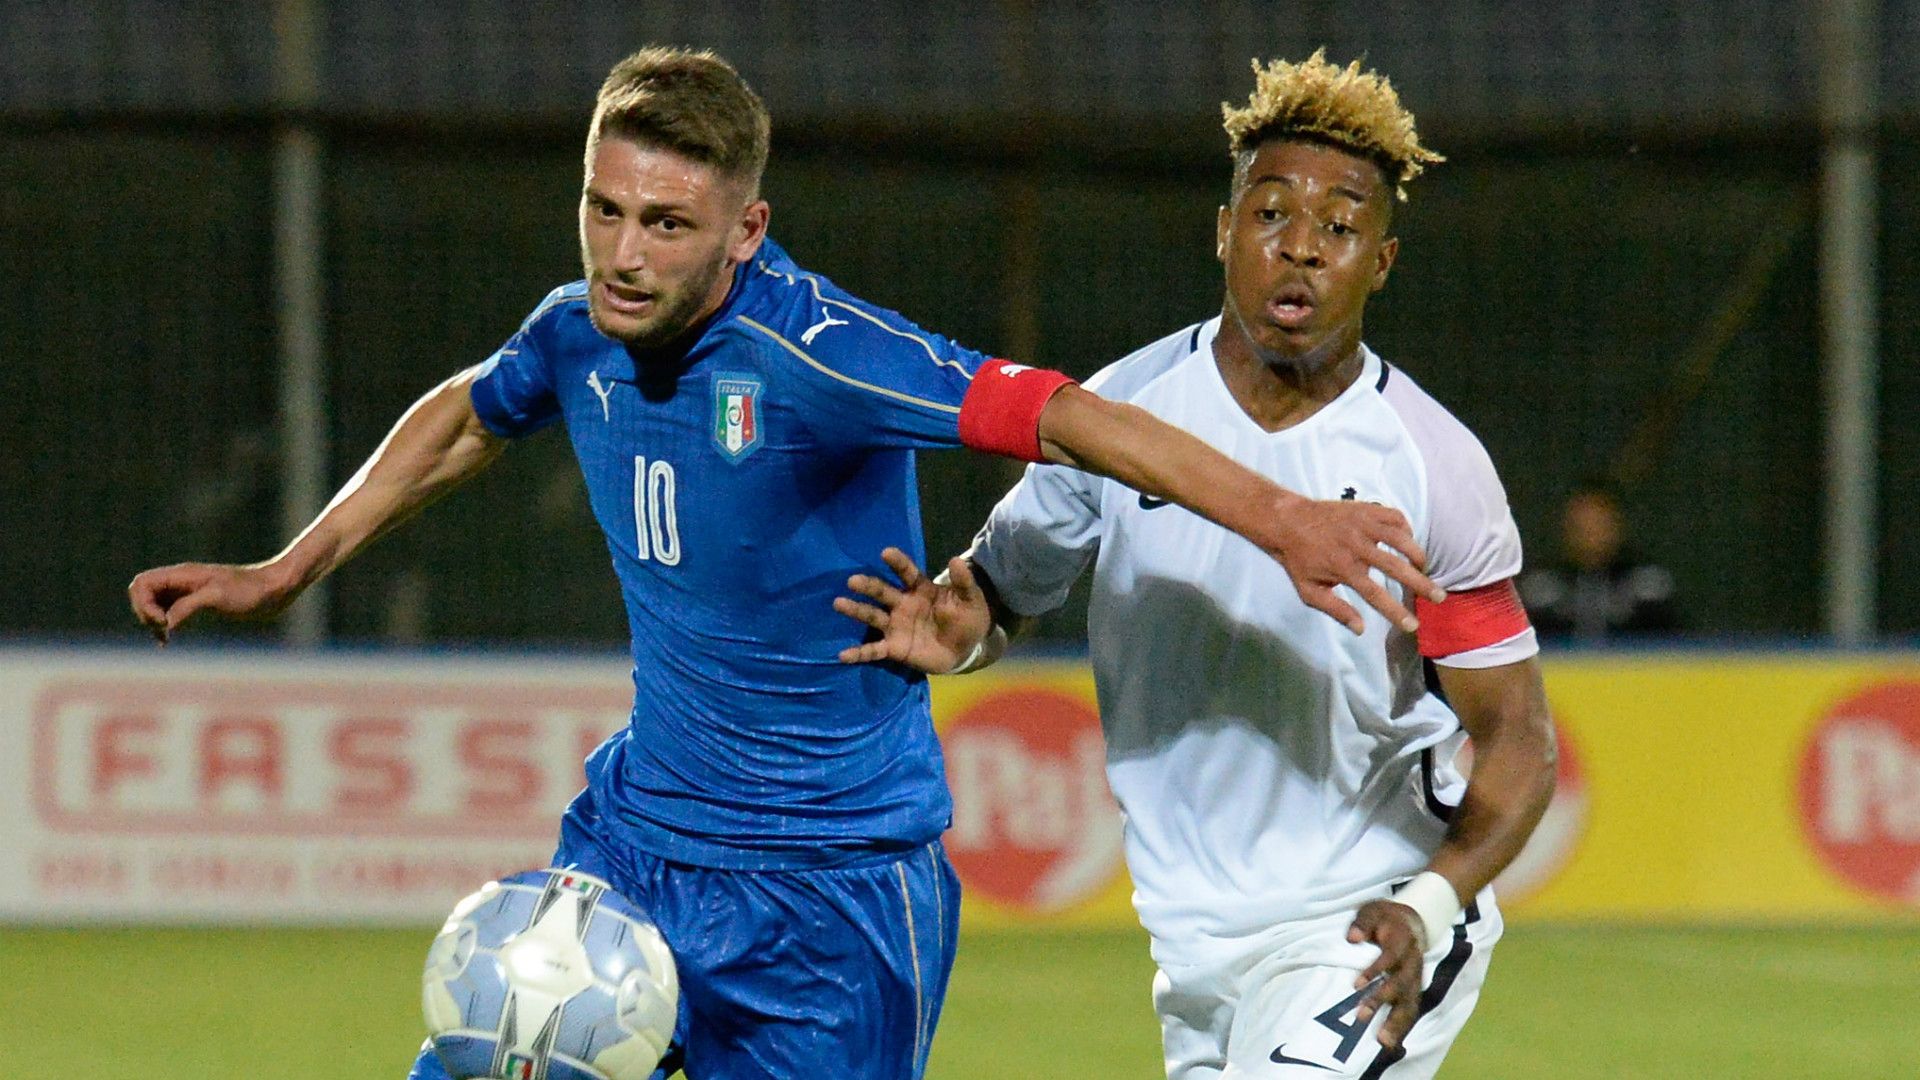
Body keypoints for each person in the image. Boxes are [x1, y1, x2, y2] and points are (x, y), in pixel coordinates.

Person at [125, 47, 1444, 1080]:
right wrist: (287, 568)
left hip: (835, 897)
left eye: (667, 224)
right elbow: (473, 410)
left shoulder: (820, 355)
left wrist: (1283, 518)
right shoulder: (577, 330)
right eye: (604, 209)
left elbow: (1061, 414)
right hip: (634, 848)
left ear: (745, 229)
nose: (625, 255)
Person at [837, 51, 1557, 1080]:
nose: (1300, 249)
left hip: (1359, 926)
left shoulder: (1433, 464)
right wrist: (946, 630)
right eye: (1271, 215)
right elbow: (997, 591)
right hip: (1191, 944)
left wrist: (1429, 903)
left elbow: (1519, 737)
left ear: (1381, 262)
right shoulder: (1122, 417)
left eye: (1340, 228)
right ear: (1224, 232)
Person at [1519, 479, 1682, 642]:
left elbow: (1670, 646)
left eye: (1599, 522)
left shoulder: (1646, 581)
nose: (1591, 533)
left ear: (1617, 525)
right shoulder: (1540, 585)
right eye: (1582, 524)